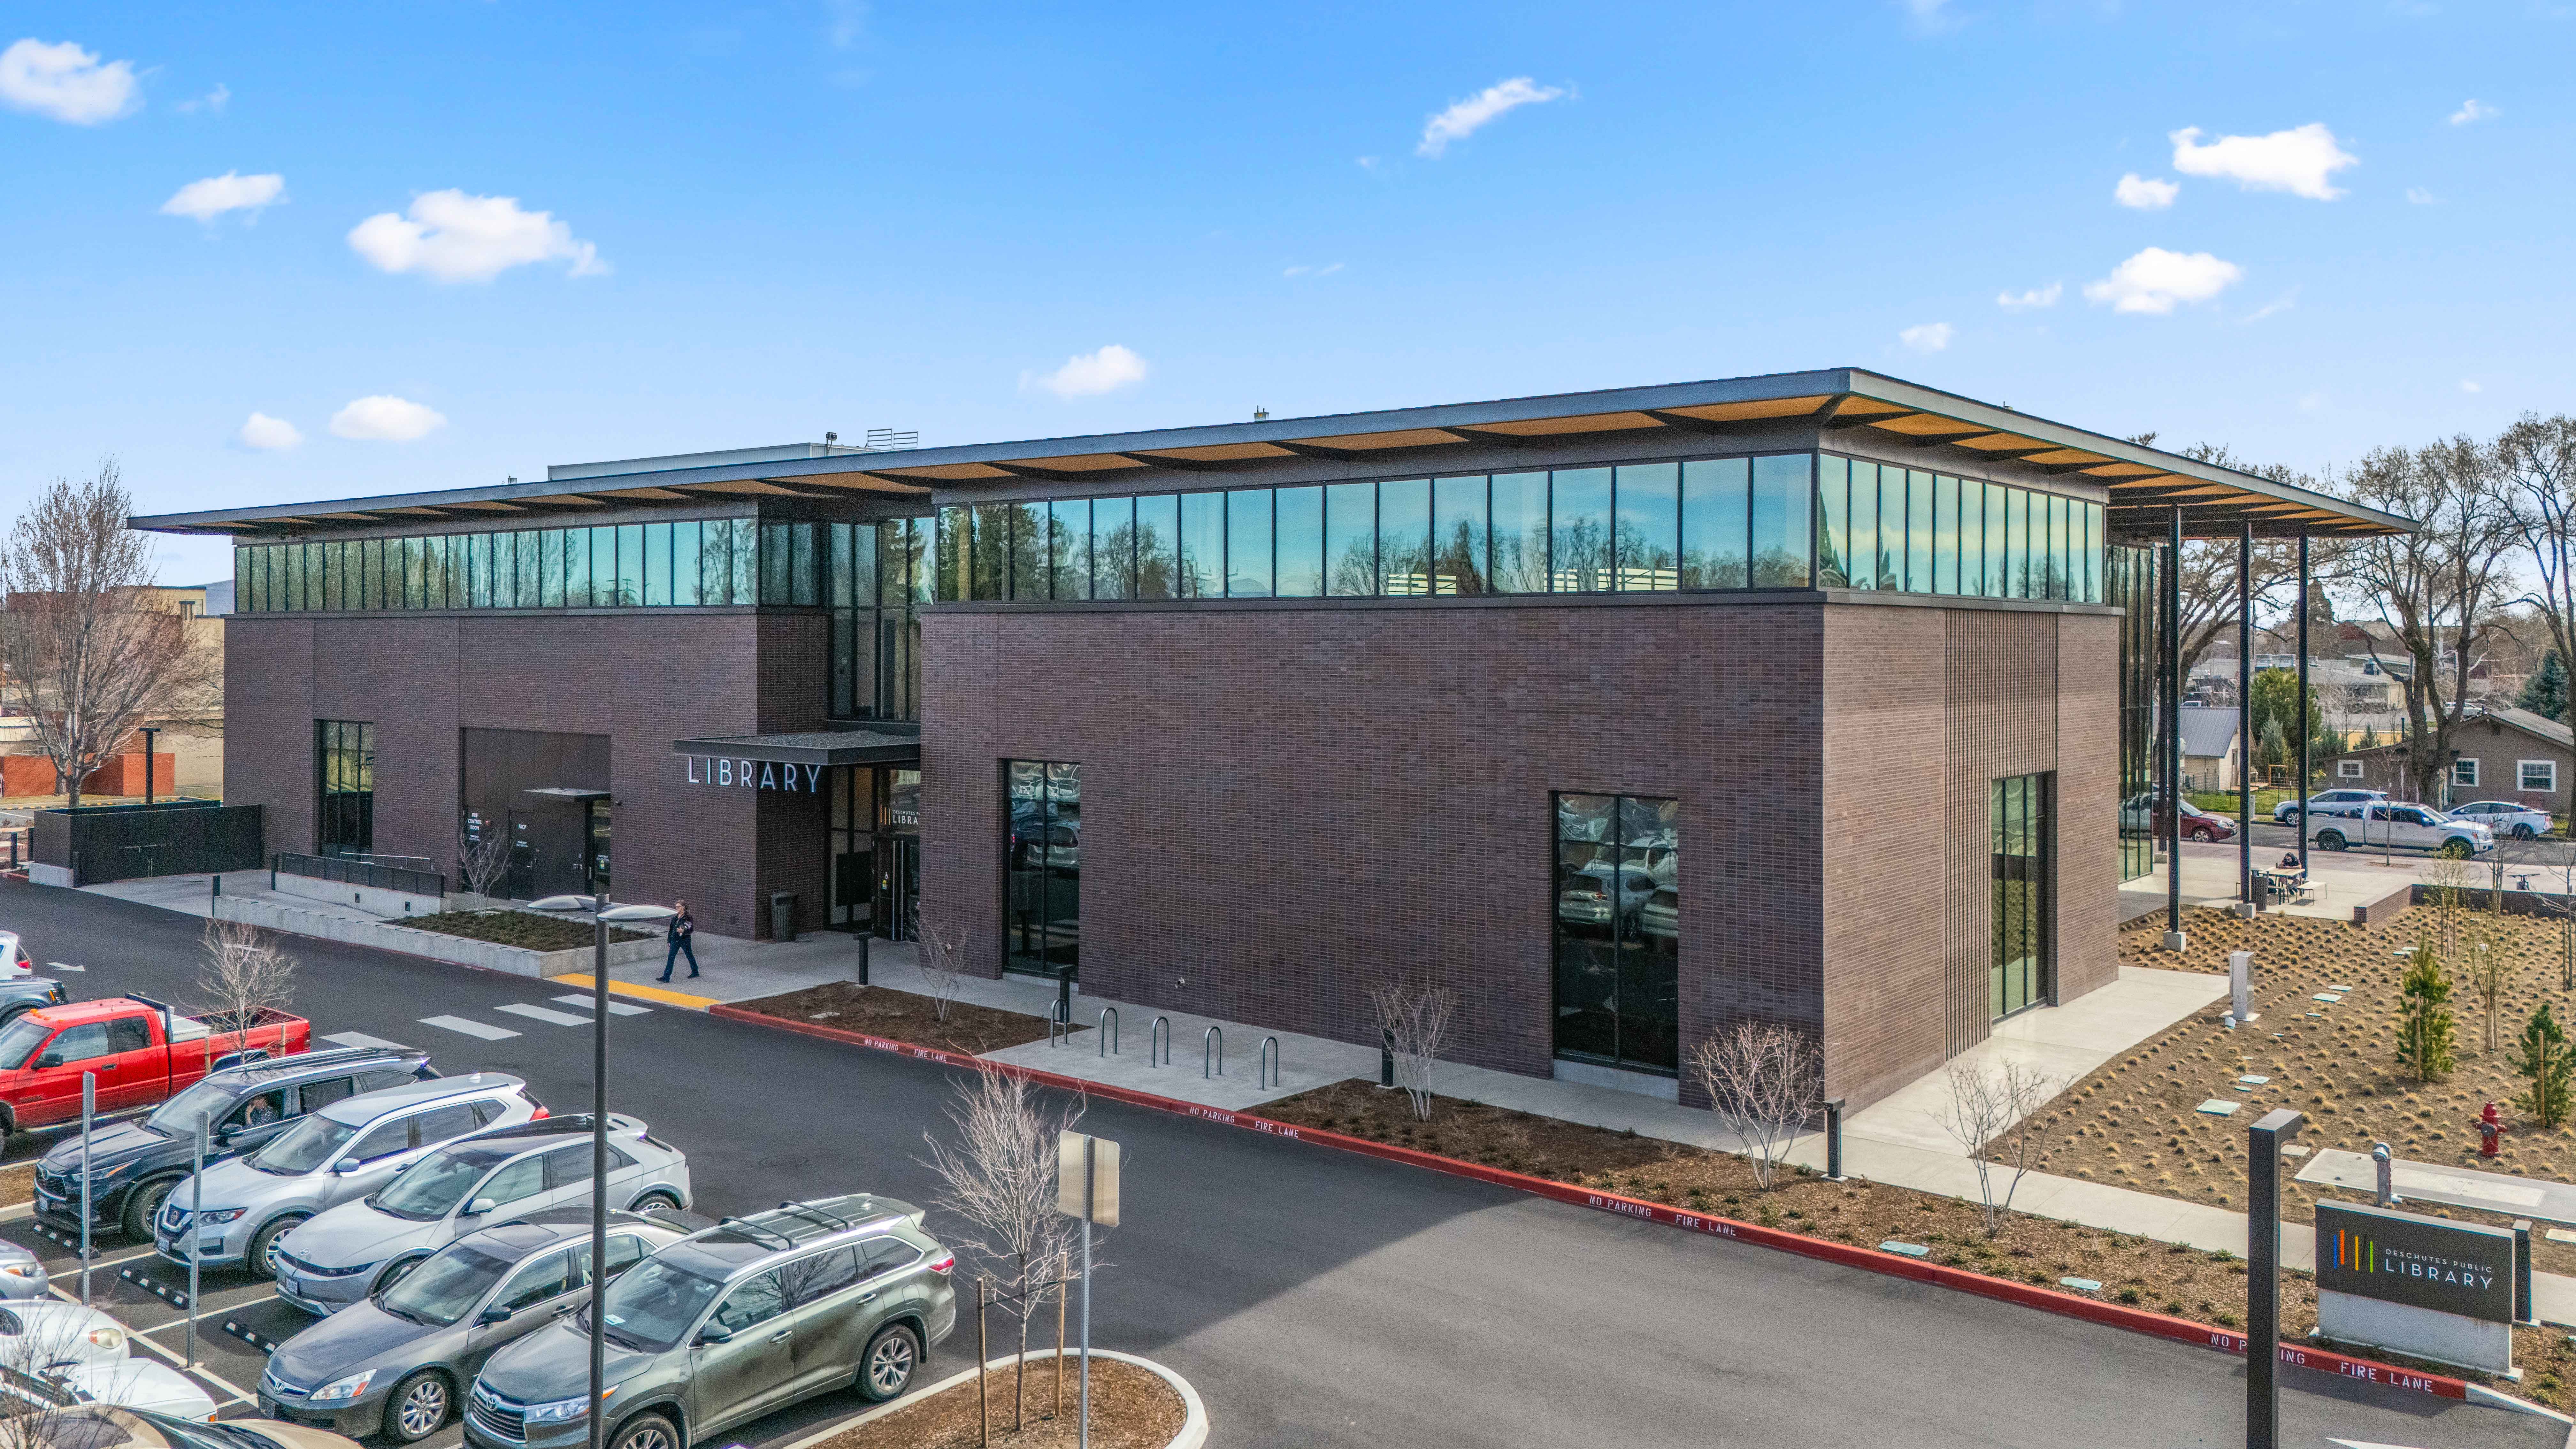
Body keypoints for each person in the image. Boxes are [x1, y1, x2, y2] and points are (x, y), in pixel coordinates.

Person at [659, 900, 699, 983]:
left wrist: (683, 931)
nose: (677, 908)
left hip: (685, 940)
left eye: (678, 907)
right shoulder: (675, 917)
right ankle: (666, 977)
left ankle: (695, 972)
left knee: (689, 955)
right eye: (676, 907)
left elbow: (691, 929)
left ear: (683, 907)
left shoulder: (688, 917)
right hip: (675, 939)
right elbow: (671, 929)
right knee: (671, 957)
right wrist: (669, 940)